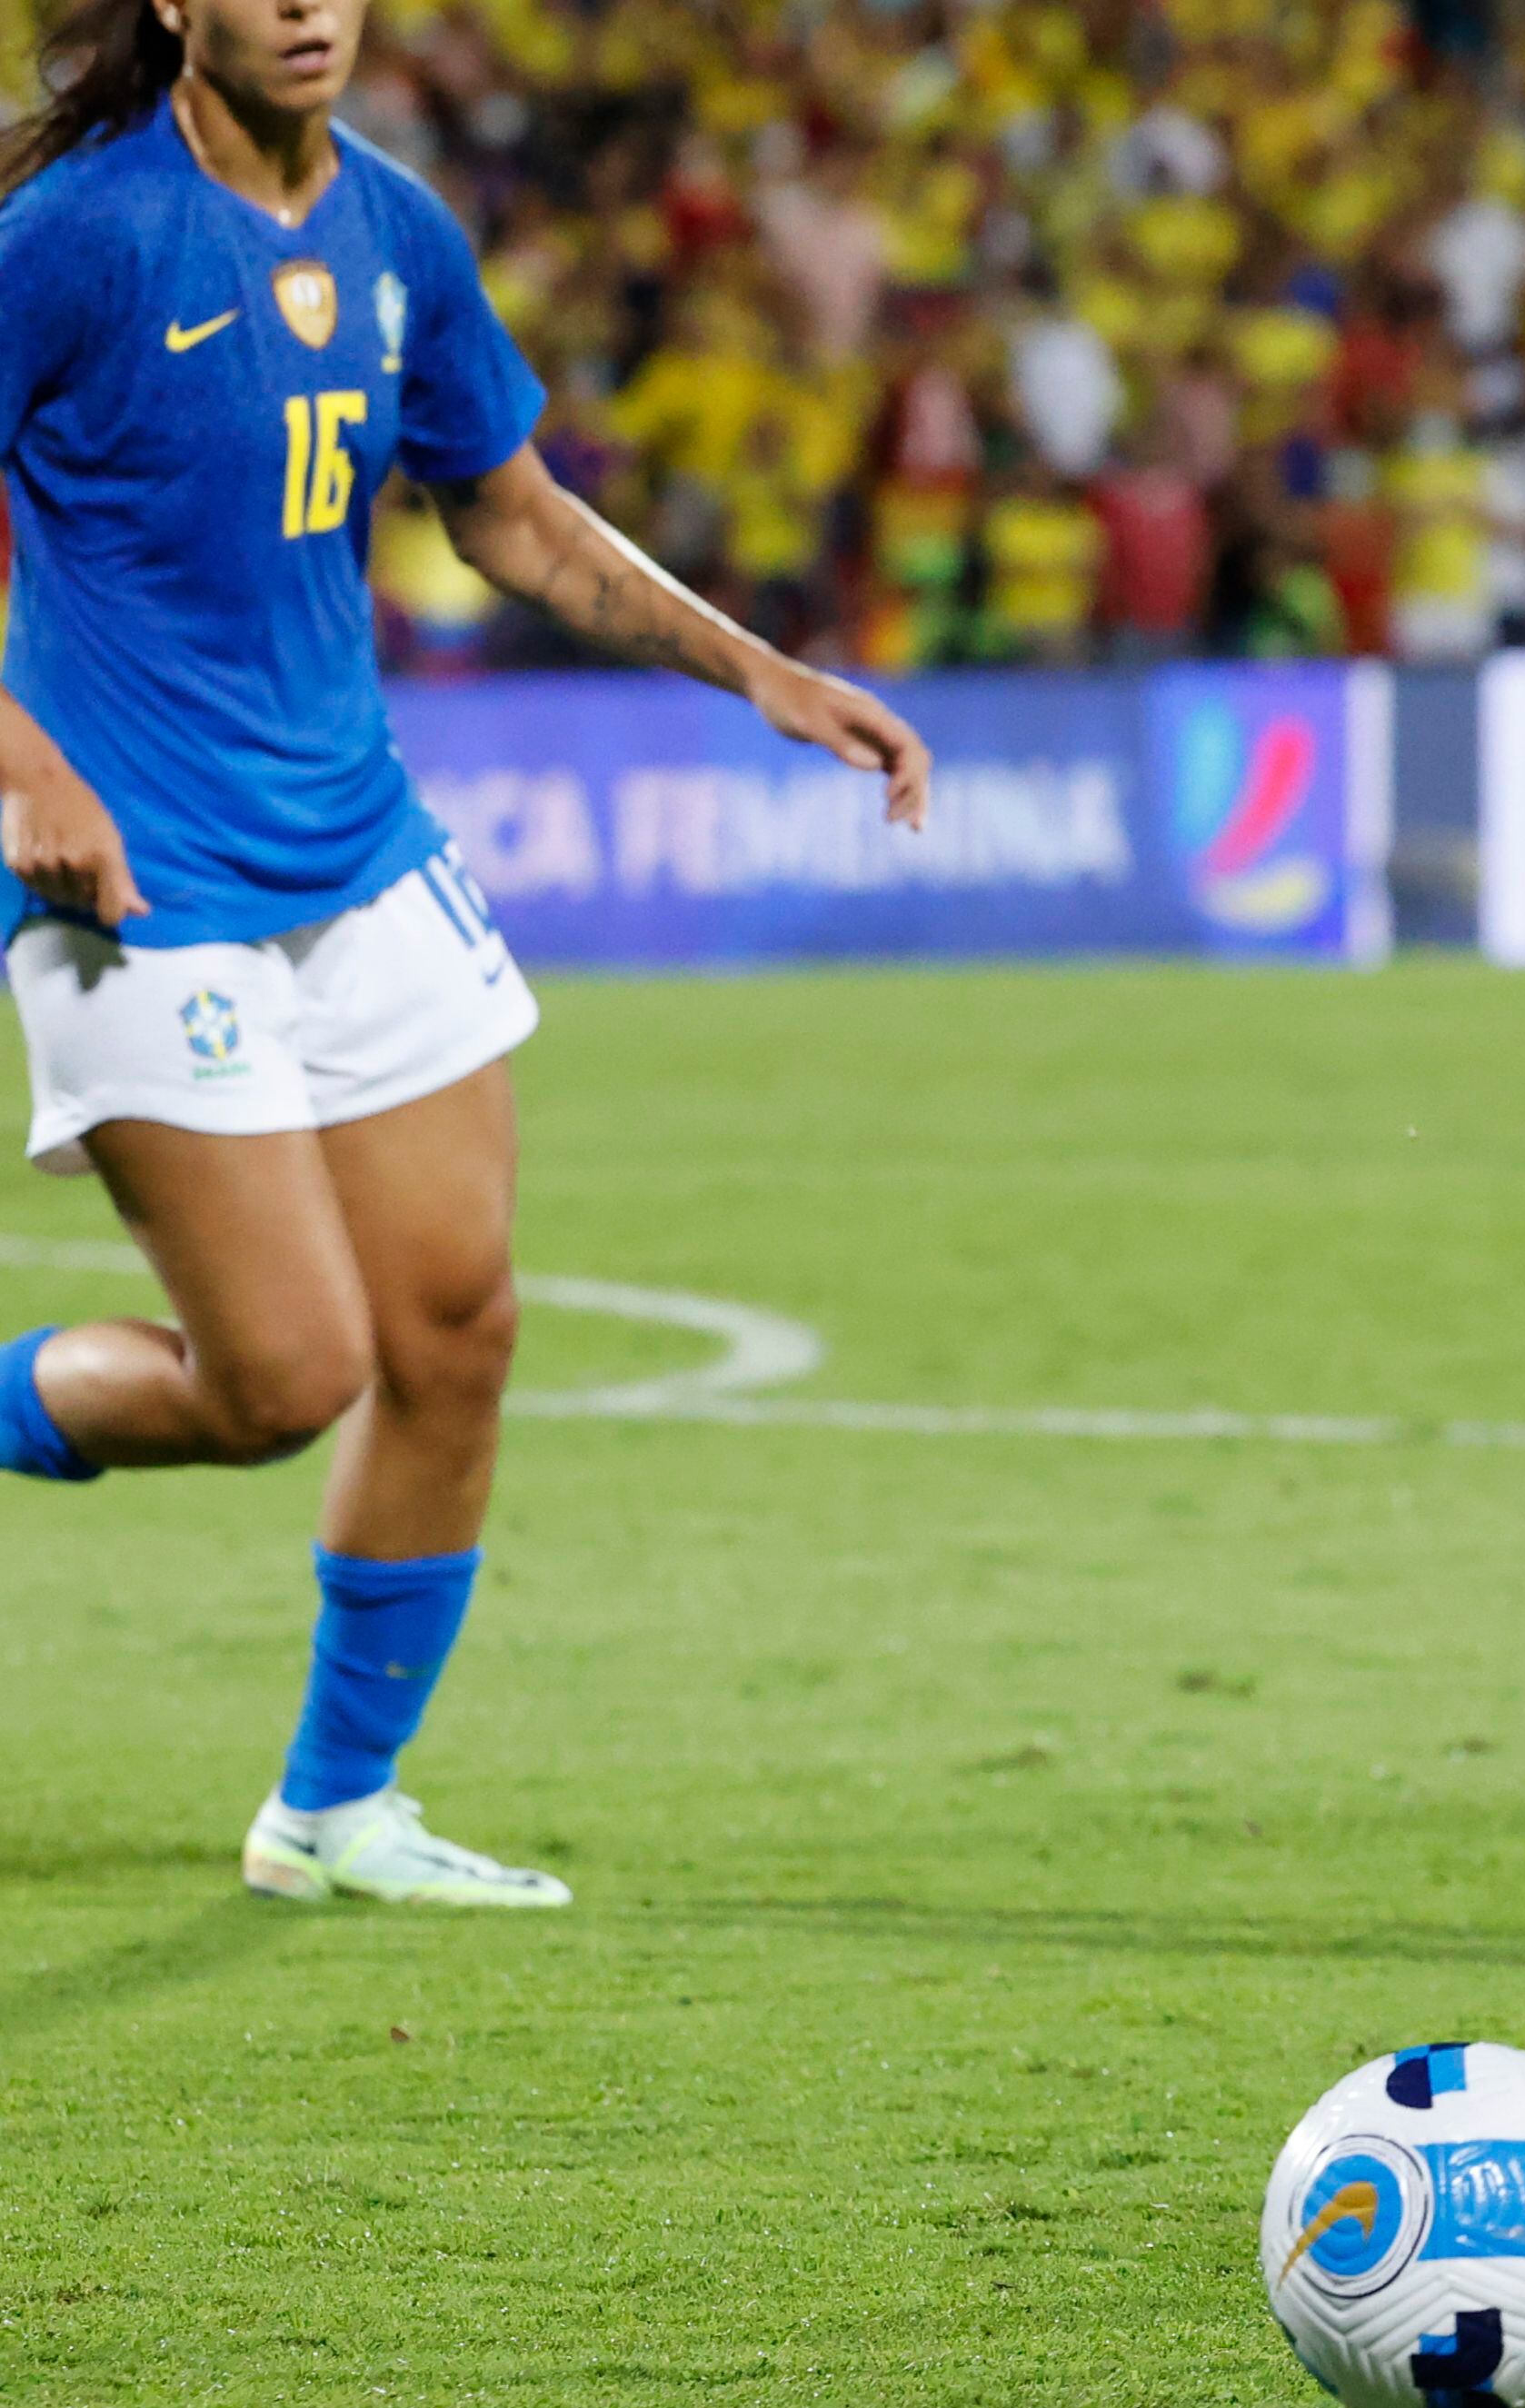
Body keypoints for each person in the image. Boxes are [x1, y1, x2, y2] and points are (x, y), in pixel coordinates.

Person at [0, 0, 929, 1903]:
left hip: (361, 849)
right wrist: (27, 768)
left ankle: (336, 1811)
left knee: (457, 1334)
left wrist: (760, 668)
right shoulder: (78, 238)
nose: (303, 6)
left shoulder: (400, 230)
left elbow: (507, 509)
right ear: (177, 6)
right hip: (143, 876)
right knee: (278, 1383)